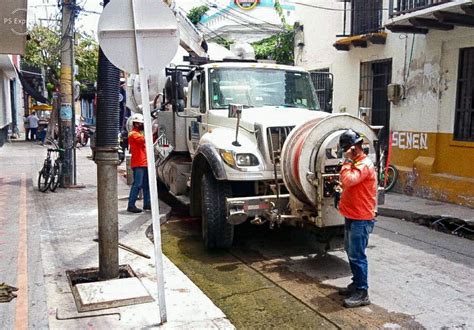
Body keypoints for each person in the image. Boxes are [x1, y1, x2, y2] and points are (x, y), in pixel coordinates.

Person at [337, 129, 377, 308]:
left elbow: (349, 180)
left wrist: (346, 162)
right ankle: (356, 283)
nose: (345, 153)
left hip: (361, 217)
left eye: (346, 149)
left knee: (357, 255)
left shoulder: (364, 165)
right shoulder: (355, 162)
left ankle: (362, 292)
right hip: (352, 215)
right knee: (350, 251)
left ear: (353, 148)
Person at [127, 113, 151, 213]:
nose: (142, 125)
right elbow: (143, 140)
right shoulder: (133, 134)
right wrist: (151, 131)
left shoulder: (139, 133)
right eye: (141, 123)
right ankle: (131, 205)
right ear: (136, 124)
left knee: (146, 185)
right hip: (138, 163)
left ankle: (147, 204)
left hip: (144, 163)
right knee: (137, 184)